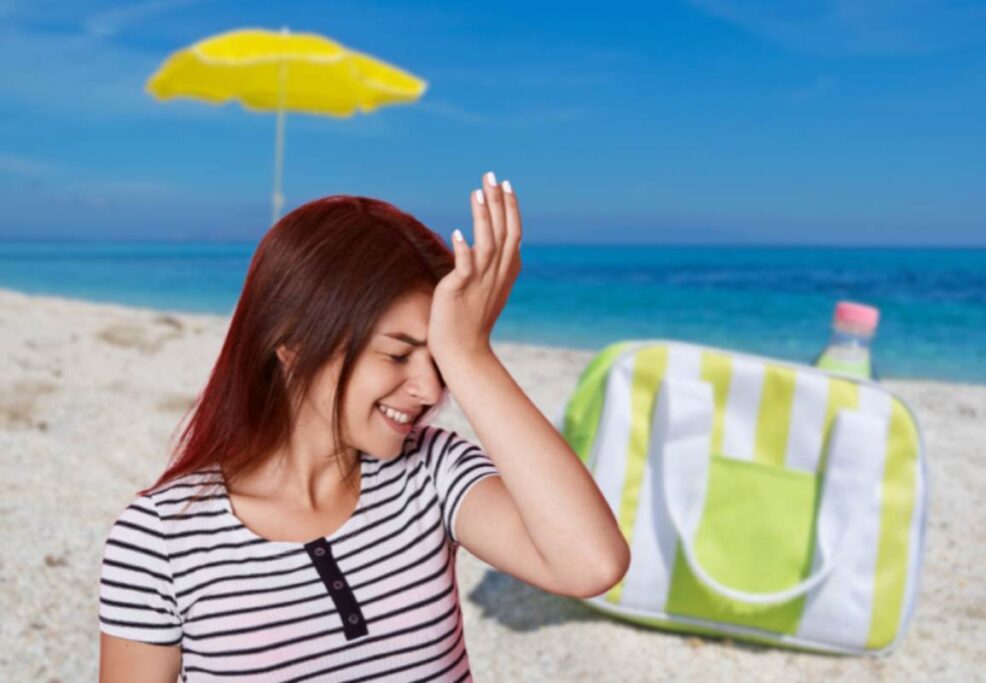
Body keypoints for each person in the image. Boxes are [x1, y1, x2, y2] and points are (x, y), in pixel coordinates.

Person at [97, 172, 631, 682]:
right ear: (292, 343)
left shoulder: (433, 471)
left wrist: (471, 354)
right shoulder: (159, 539)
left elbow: (591, 564)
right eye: (398, 355)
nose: (430, 390)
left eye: (438, 357)